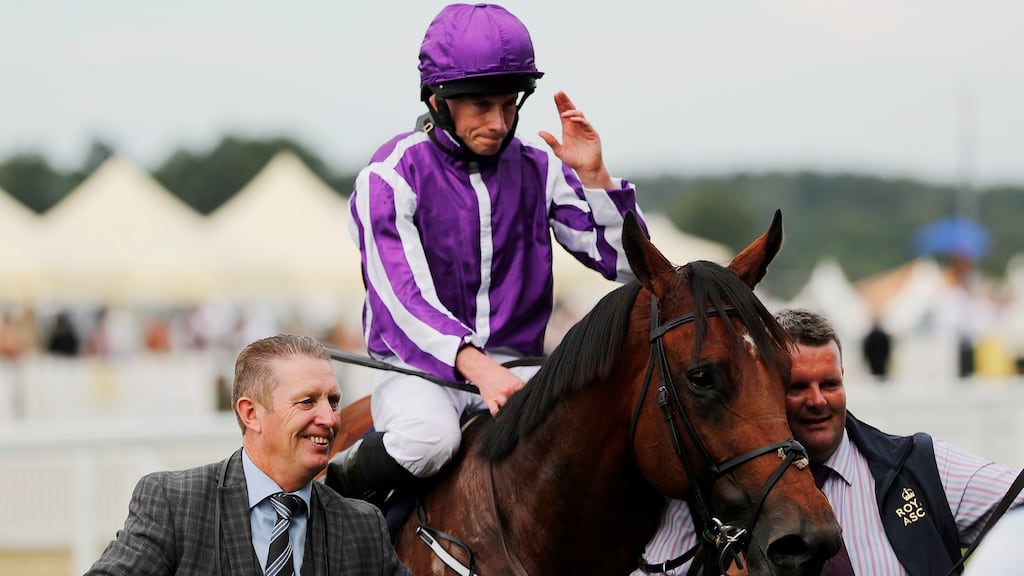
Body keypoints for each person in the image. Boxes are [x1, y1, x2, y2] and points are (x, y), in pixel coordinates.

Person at [329, 3, 647, 500]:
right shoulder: (390, 176)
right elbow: (401, 297)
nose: (500, 122)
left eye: (509, 104)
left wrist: (595, 178)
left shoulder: (540, 169)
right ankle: (337, 488)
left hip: (518, 364)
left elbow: (627, 265)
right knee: (427, 440)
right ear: (437, 100)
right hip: (420, 371)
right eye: (482, 106)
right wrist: (477, 368)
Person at [635, 308, 1024, 575]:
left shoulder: (919, 465)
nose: (818, 400)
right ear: (767, 391)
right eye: (798, 386)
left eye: (830, 384)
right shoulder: (708, 495)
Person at [87, 334, 411, 576]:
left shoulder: (363, 525)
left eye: (334, 401)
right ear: (251, 413)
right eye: (307, 401)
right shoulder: (174, 504)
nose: (330, 419)